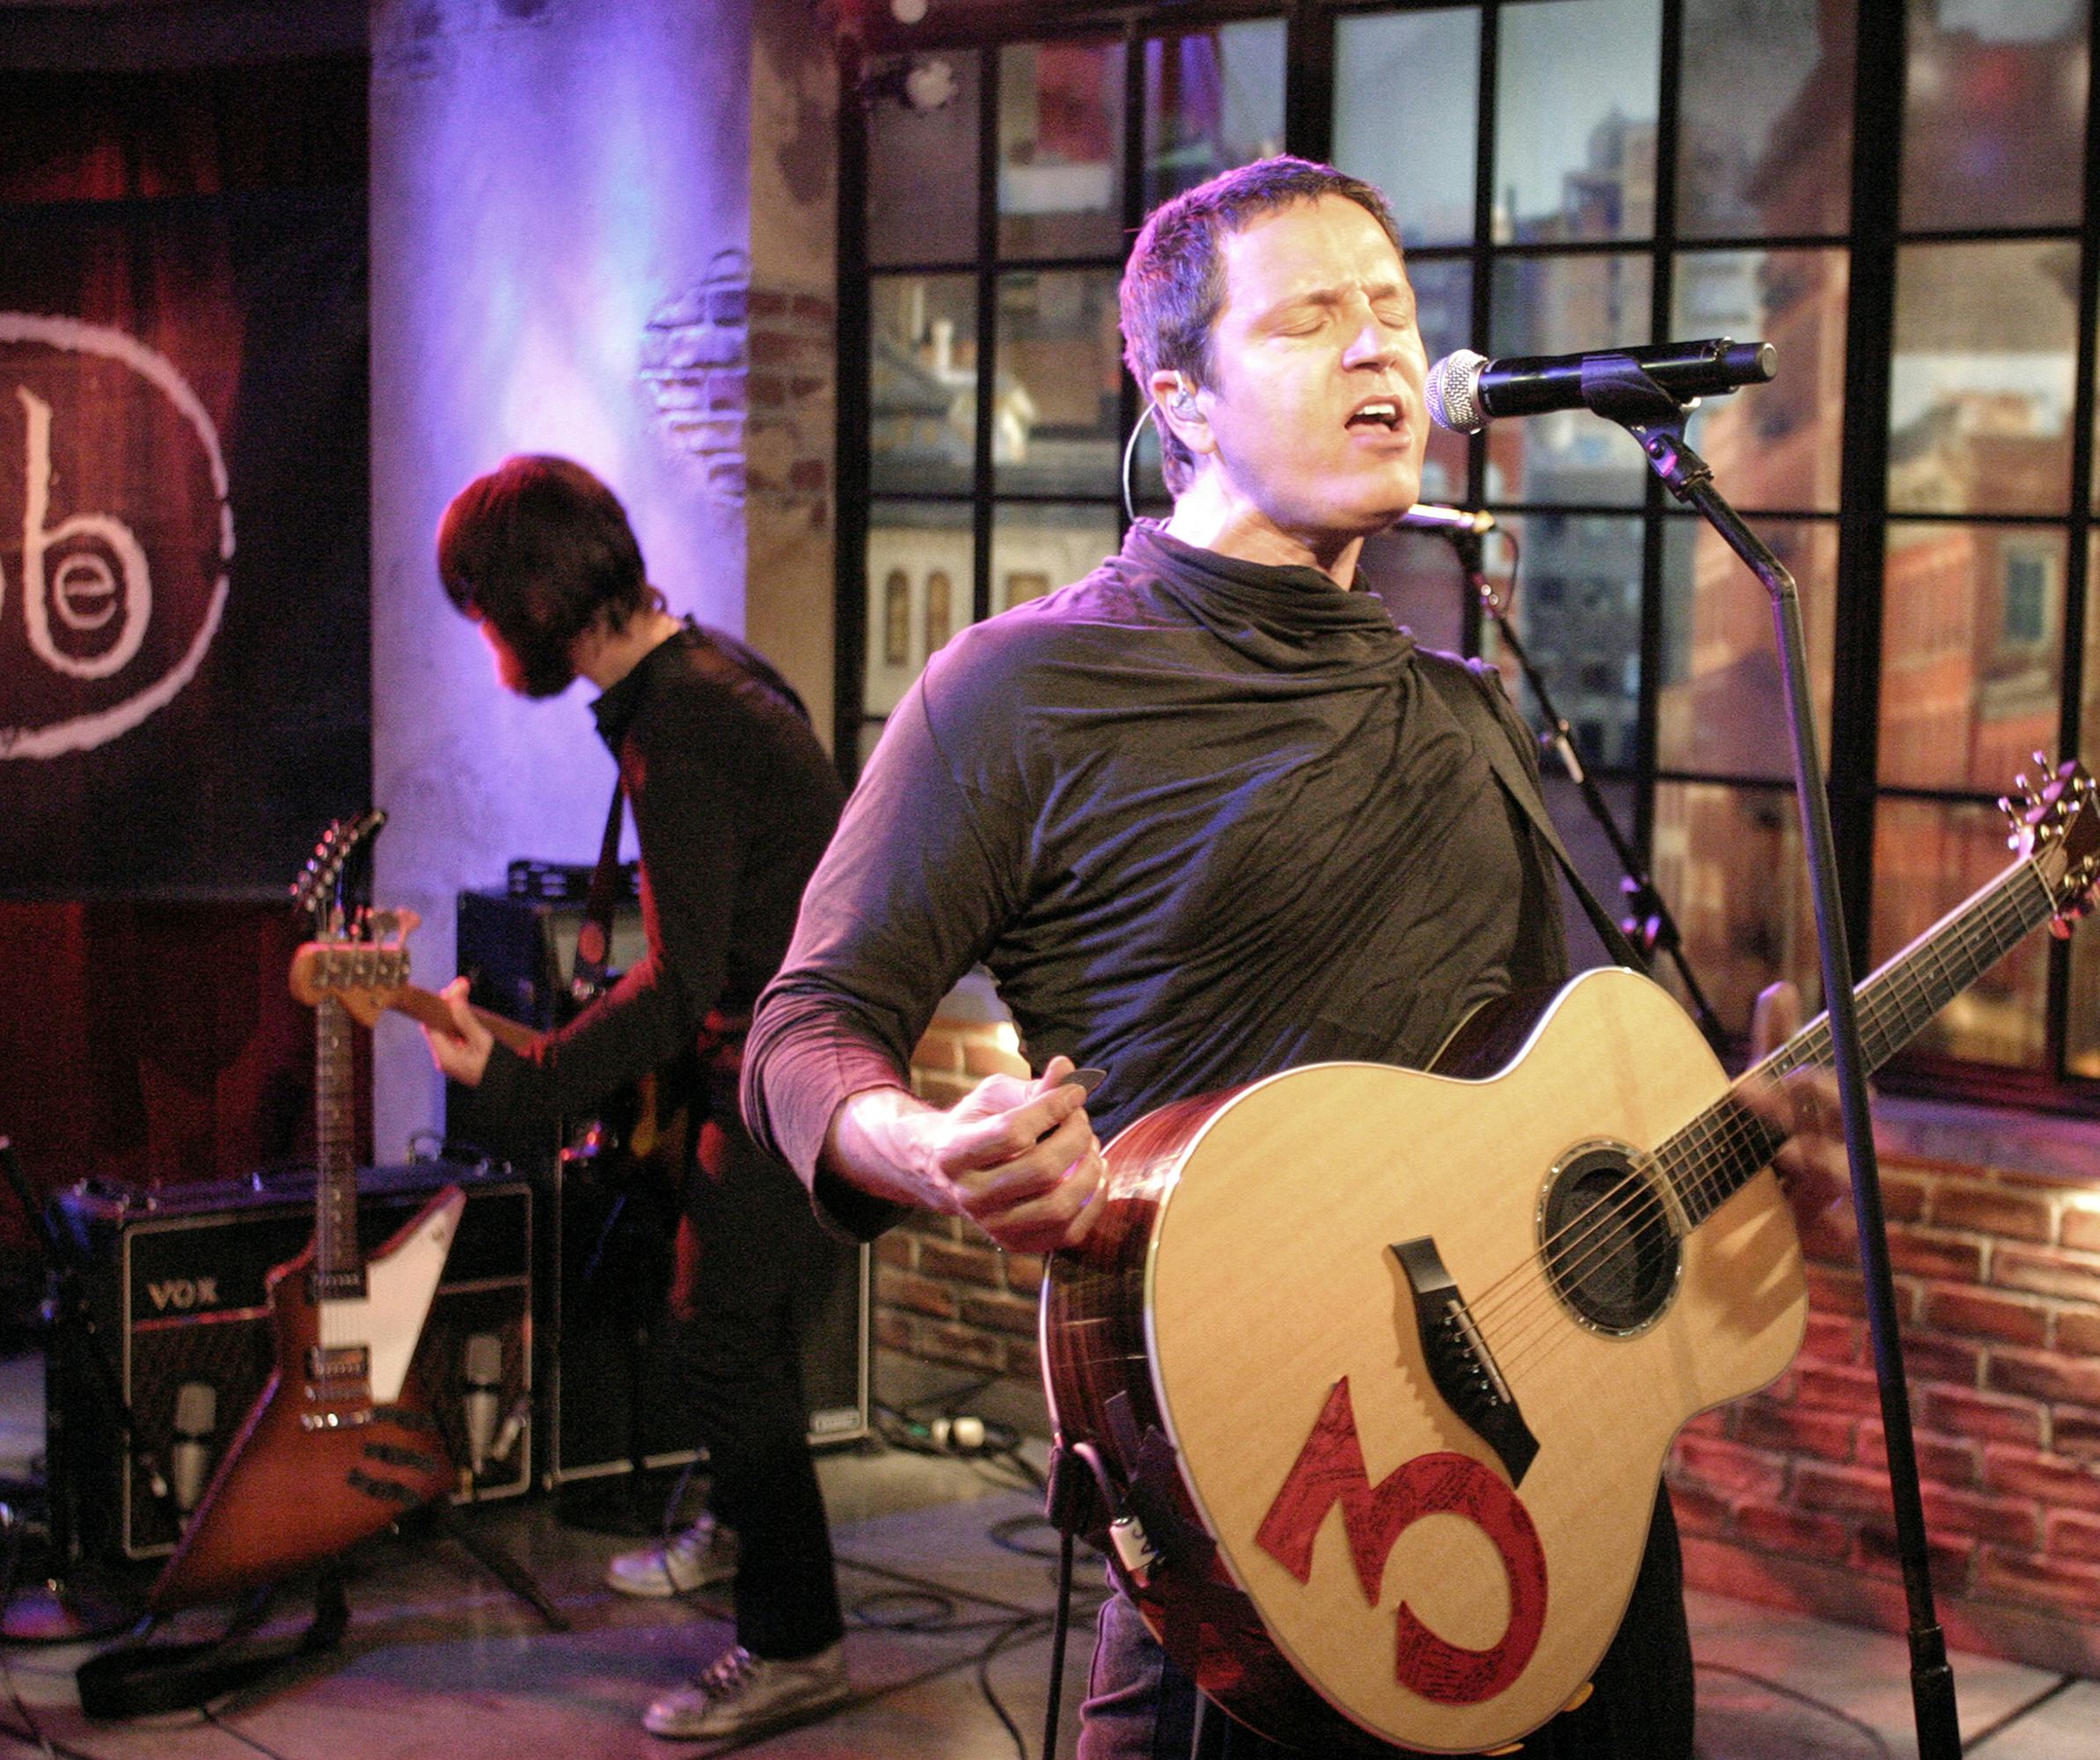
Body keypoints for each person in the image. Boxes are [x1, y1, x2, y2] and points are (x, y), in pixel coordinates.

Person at [741, 158, 1848, 1757]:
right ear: (1179, 397)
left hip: (1568, 1510)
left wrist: (1726, 1170)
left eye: (1394, 312)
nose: (1379, 352)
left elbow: (1523, 1125)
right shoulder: (1021, 693)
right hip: (1262, 1516)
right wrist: (925, 1146)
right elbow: (805, 1028)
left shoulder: (1467, 705)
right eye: (1315, 318)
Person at [417, 456, 855, 1742]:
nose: (489, 642)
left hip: (790, 1067)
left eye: (486, 612)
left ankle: (797, 1644)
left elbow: (679, 987)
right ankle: (737, 1528)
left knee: (718, 1336)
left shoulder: (685, 720)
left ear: (531, 603)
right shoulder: (692, 678)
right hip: (786, 1052)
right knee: (721, 1313)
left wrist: (526, 1076)